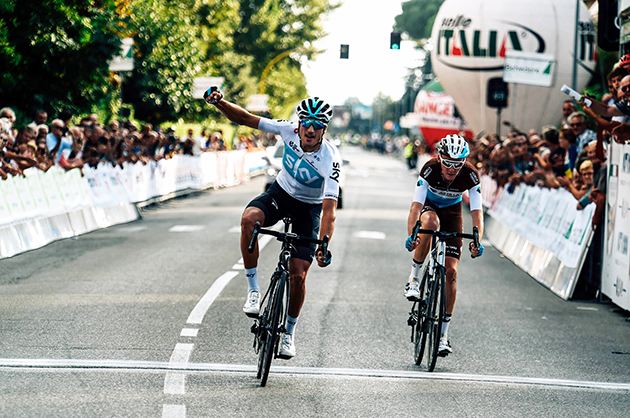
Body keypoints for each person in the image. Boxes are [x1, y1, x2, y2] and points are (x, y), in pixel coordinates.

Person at [205, 88, 340, 359]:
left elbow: (329, 210)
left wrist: (324, 245)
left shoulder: (330, 159)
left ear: (323, 130)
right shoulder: (286, 130)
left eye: (317, 125)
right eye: (306, 123)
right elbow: (245, 118)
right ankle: (253, 290)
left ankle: (289, 333)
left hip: (309, 209)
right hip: (281, 194)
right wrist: (220, 103)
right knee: (249, 220)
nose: (310, 130)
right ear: (299, 124)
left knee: (298, 274)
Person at [403, 134, 484, 357]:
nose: (451, 169)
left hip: (452, 213)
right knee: (429, 222)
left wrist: (478, 239)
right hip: (429, 207)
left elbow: (477, 212)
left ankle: (443, 336)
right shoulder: (429, 169)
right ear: (440, 158)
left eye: (457, 165)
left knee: (452, 271)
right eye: (448, 163)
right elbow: (415, 206)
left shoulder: (470, 175)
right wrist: (412, 234)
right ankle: (414, 278)